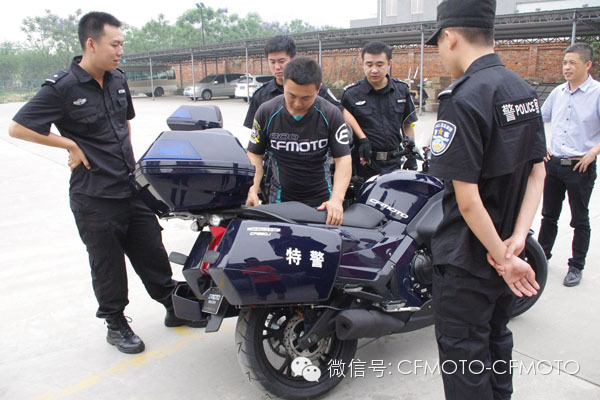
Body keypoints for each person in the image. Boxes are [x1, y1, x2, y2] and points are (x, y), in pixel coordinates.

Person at [8, 11, 201, 355]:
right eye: (115, 44)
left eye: (121, 44)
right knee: (107, 264)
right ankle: (115, 323)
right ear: (91, 43)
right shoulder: (63, 87)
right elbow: (18, 127)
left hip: (131, 188)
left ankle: (172, 306)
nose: (120, 51)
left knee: (152, 250)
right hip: (94, 195)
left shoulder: (118, 80)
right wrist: (69, 144)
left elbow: (125, 123)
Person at [426, 0, 547, 398]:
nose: (441, 54)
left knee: (465, 362)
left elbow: (467, 201)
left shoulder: (462, 98)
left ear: (450, 37)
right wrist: (517, 241)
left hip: (468, 262)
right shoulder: (523, 90)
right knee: (497, 343)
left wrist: (502, 257)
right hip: (507, 250)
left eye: (438, 45)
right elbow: (537, 173)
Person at [245, 56, 352, 226]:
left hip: (321, 204)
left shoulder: (331, 114)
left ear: (318, 89)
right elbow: (255, 155)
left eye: (306, 98)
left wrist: (337, 200)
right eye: (291, 95)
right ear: (284, 84)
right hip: (279, 202)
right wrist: (251, 189)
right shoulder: (266, 112)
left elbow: (343, 159)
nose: (297, 103)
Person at [537, 42, 600, 287]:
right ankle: (541, 257)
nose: (567, 67)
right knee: (548, 215)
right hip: (554, 165)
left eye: (572, 63)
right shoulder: (558, 93)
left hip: (579, 168)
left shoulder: (596, 93)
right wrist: (542, 146)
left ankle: (576, 266)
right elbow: (538, 120)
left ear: (587, 65)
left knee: (579, 219)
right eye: (564, 63)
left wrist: (593, 153)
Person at [341, 41, 418, 180]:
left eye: (379, 64)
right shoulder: (351, 95)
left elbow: (408, 123)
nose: (374, 70)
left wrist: (410, 151)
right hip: (364, 164)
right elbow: (344, 129)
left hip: (394, 162)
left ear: (389, 63)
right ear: (362, 64)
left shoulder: (402, 91)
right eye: (369, 65)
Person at [242, 35, 343, 129]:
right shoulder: (261, 95)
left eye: (281, 61)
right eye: (272, 62)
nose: (277, 67)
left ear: (293, 59)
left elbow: (339, 112)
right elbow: (255, 132)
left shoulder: (313, 88)